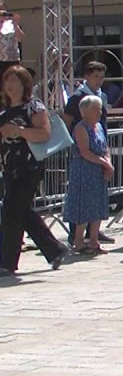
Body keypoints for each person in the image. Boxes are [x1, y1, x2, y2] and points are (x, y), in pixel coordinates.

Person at [0, 65, 69, 276]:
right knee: (20, 211)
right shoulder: (4, 110)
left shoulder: (34, 107)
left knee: (12, 211)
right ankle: (55, 249)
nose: (10, 85)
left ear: (24, 84)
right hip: (9, 166)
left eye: (15, 81)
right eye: (7, 80)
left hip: (29, 166)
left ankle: (7, 262)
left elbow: (44, 134)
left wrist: (19, 131)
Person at [66, 95, 113, 255]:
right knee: (84, 205)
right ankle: (78, 241)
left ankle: (94, 240)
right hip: (84, 171)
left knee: (98, 205)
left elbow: (105, 147)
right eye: (96, 109)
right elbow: (85, 152)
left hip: (98, 171)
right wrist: (104, 164)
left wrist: (108, 163)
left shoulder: (99, 126)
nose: (100, 112)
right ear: (86, 111)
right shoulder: (80, 128)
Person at [0, 5, 22, 76]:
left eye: (4, 11)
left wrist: (15, 23)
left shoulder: (10, 23)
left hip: (12, 60)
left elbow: (20, 38)